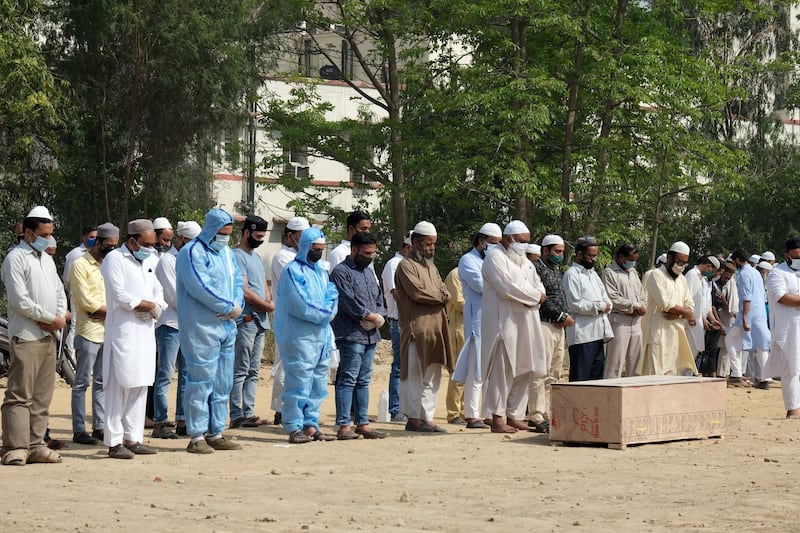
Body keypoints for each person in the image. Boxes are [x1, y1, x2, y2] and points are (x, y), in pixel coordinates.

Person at [1, 206, 67, 465]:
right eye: (43, 234)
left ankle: (36, 444)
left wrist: (59, 317)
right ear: (28, 233)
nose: (48, 239)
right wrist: (50, 319)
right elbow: (20, 301)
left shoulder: (47, 259)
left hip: (49, 336)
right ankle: (15, 447)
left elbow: (60, 292)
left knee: (42, 395)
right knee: (20, 394)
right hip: (27, 335)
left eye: (50, 234)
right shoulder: (15, 259)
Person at [176, 208, 245, 454]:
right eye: (222, 233)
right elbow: (199, 286)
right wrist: (227, 306)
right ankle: (196, 435)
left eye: (228, 233)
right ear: (211, 230)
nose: (225, 238)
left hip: (227, 325)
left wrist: (237, 305)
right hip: (201, 326)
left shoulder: (227, 253)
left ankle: (216, 431)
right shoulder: (191, 253)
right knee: (200, 380)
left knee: (223, 381)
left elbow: (237, 281)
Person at [101, 219, 166, 459]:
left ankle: (133, 438)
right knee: (118, 386)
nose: (150, 248)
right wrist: (142, 304)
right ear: (132, 241)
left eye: (153, 244)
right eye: (146, 244)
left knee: (140, 386)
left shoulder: (152, 260)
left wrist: (155, 307)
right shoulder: (114, 259)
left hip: (146, 331)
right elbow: (117, 293)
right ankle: (114, 441)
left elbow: (161, 290)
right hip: (123, 332)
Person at [480, 220, 546, 433]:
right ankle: (497, 418)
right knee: (503, 370)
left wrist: (535, 294)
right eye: (522, 241)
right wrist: (535, 296)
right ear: (509, 239)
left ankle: (515, 415)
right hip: (504, 324)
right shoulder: (494, 258)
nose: (525, 245)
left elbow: (538, 284)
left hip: (527, 322)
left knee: (526, 368)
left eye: (528, 242)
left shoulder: (525, 262)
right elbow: (507, 288)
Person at [274, 227, 339, 443]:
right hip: (299, 337)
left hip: (320, 338)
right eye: (315, 249)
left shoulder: (320, 271)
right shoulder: (293, 271)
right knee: (298, 382)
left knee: (318, 383)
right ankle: (293, 426)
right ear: (304, 247)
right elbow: (299, 304)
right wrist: (324, 314)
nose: (318, 253)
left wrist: (330, 310)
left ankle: (311, 424)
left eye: (321, 249)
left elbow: (332, 293)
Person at [395, 221, 454, 433]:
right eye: (428, 243)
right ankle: (413, 419)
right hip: (416, 329)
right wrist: (441, 297)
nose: (431, 248)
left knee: (433, 374)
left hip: (436, 329)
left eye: (434, 244)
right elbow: (417, 293)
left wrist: (442, 296)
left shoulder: (432, 266)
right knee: (415, 375)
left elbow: (445, 290)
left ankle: (426, 418)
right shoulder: (405, 266)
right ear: (417, 242)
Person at [330, 232, 387, 440]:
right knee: (348, 379)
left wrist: (378, 315)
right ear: (354, 250)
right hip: (351, 333)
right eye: (366, 253)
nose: (370, 256)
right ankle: (344, 424)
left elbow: (378, 297)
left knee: (363, 380)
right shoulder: (341, 272)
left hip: (371, 334)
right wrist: (367, 315)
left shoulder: (369, 272)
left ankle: (362, 422)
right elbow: (347, 300)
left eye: (373, 253)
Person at [69, 222, 118, 446]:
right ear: (96, 242)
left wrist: (109, 313)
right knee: (81, 383)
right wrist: (111, 311)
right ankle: (79, 429)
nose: (112, 250)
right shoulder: (80, 265)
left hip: (106, 331)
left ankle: (99, 426)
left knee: (101, 382)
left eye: (115, 246)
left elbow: (117, 296)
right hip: (88, 331)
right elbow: (86, 301)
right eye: (108, 246)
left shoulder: (109, 266)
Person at [152, 220, 201, 439]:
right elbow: (173, 296)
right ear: (181, 239)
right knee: (165, 375)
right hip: (171, 325)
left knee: (187, 375)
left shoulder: (192, 261)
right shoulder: (167, 261)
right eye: (190, 242)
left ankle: (182, 419)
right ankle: (161, 421)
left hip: (189, 325)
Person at [452, 223, 502, 429]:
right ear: (481, 241)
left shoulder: (493, 262)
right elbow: (484, 287)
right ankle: (472, 416)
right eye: (493, 244)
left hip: (494, 323)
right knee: (476, 371)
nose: (496, 248)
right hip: (477, 324)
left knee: (492, 372)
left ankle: (489, 414)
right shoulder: (468, 260)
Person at [230, 215, 275, 428]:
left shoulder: (256, 258)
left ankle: (249, 411)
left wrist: (269, 299)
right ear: (246, 232)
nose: (260, 240)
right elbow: (245, 291)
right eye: (257, 236)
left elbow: (263, 285)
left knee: (254, 370)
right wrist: (266, 305)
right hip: (246, 320)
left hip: (260, 321)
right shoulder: (237, 256)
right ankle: (236, 413)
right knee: (240, 369)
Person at [528, 234, 573, 433]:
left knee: (555, 373)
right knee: (541, 371)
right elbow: (541, 299)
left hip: (558, 328)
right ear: (545, 251)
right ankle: (536, 415)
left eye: (562, 252)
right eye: (557, 252)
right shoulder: (535, 269)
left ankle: (548, 412)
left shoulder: (555, 270)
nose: (560, 256)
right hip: (544, 324)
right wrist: (561, 315)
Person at [269, 216, 311, 426]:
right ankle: (280, 408)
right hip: (287, 318)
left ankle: (296, 407)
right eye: (302, 238)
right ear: (290, 236)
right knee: (285, 364)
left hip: (303, 319)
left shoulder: (302, 257)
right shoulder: (282, 257)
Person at [638, 241, 697, 375]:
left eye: (684, 263)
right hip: (658, 334)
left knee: (672, 376)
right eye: (679, 262)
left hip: (676, 333)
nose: (681, 266)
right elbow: (664, 304)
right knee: (655, 375)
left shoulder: (682, 279)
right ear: (669, 258)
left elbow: (690, 304)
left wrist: (680, 314)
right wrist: (687, 313)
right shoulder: (656, 275)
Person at [563, 236, 613, 381]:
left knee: (596, 380)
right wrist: (600, 306)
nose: (593, 259)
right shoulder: (571, 275)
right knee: (580, 380)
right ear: (579, 254)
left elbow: (605, 296)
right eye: (590, 256)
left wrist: (606, 305)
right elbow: (575, 303)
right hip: (582, 336)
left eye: (595, 256)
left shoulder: (593, 274)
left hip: (598, 334)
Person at [765, 238, 800, 418]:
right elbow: (782, 297)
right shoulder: (777, 273)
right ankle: (793, 410)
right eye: (796, 257)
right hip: (788, 329)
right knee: (791, 368)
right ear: (787, 255)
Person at [380, 231, 412, 423]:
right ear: (408, 247)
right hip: (400, 321)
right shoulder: (394, 264)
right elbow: (395, 293)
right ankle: (395, 409)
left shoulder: (411, 264)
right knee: (399, 367)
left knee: (411, 367)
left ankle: (407, 407)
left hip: (411, 321)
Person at [602, 243, 647, 378]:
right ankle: (610, 392)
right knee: (615, 361)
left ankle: (633, 394)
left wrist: (642, 306)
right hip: (619, 320)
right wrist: (635, 306)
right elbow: (613, 297)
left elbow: (642, 293)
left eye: (635, 260)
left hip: (637, 321)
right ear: (621, 257)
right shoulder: (609, 272)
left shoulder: (633, 272)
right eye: (631, 260)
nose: (632, 263)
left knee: (635, 361)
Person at [727, 249, 771, 389]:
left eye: (733, 262)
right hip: (759, 314)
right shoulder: (755, 272)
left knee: (730, 340)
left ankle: (736, 374)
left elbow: (746, 297)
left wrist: (745, 317)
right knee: (760, 346)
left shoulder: (744, 274)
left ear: (737, 260)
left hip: (749, 314)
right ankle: (765, 378)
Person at [684, 256, 721, 365]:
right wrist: (691, 316)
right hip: (691, 320)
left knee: (695, 350)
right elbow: (687, 297)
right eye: (711, 270)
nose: (711, 273)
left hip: (698, 320)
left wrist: (711, 319)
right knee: (689, 351)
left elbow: (705, 305)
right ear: (708, 266)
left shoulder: (702, 279)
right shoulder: (692, 275)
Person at [443, 266, 466, 425]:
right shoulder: (455, 274)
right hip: (459, 327)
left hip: (473, 326)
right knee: (458, 371)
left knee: (470, 372)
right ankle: (453, 413)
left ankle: (465, 411)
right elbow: (459, 303)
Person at [713, 262, 738, 377]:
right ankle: (718, 373)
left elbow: (728, 305)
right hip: (715, 317)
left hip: (725, 318)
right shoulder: (714, 283)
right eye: (725, 277)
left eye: (728, 278)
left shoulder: (730, 285)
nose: (726, 279)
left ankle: (723, 374)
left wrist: (723, 299)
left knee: (726, 347)